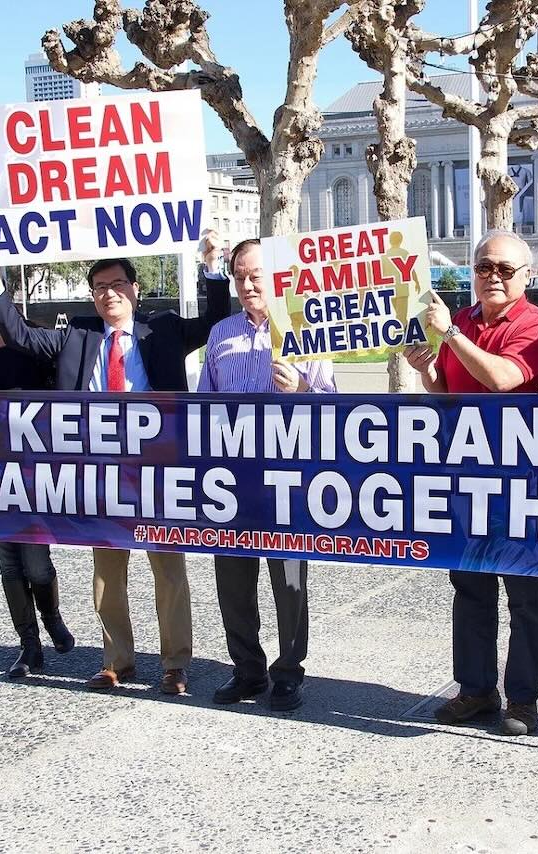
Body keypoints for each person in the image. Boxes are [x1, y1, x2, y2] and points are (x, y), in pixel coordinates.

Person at [0, 236, 231, 696]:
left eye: (116, 284)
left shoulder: (165, 330)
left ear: (135, 289)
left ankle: (175, 665)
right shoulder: (78, 334)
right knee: (106, 574)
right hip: (100, 474)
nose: (108, 293)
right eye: (98, 286)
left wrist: (211, 267)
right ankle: (117, 661)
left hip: (158, 472)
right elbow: (20, 334)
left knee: (168, 572)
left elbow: (215, 321)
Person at [404, 228, 538, 737]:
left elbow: (503, 380)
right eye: (483, 267)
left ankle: (524, 699)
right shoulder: (462, 320)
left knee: (524, 593)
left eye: (504, 269)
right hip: (463, 472)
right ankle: (475, 690)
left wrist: (449, 336)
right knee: (468, 587)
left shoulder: (537, 324)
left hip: (518, 477)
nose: (492, 276)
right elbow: (449, 393)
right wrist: (427, 371)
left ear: (526, 276)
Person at [198, 238, 337, 712]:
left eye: (255, 274)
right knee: (232, 579)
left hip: (288, 476)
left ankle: (289, 672)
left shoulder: (307, 327)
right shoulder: (221, 335)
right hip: (232, 478)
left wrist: (300, 387)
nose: (247, 283)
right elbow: (204, 405)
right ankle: (247, 671)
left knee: (289, 581)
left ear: (277, 276)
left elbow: (336, 410)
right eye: (239, 275)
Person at [0, 272, 76, 679]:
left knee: (37, 564)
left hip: (36, 473)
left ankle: (52, 617)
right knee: (8, 563)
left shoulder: (35, 345)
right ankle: (29, 645)